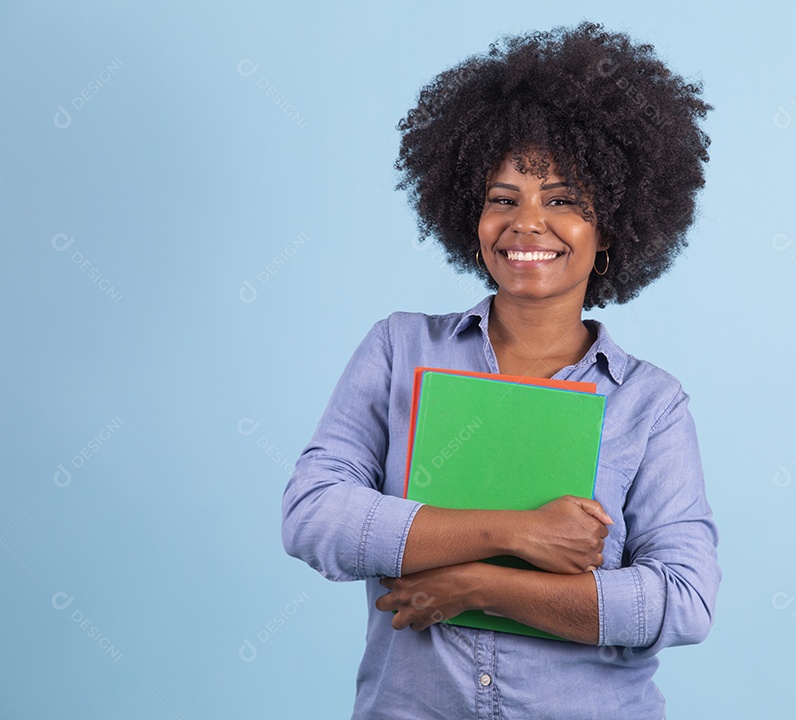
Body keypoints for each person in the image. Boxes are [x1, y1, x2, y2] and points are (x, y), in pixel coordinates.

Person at [282, 21, 720, 719]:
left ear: (608, 229)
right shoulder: (400, 350)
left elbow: (684, 601)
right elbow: (314, 515)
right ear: (469, 214)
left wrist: (480, 586)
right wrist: (515, 533)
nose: (528, 223)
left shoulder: (650, 404)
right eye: (503, 197)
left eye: (563, 200)